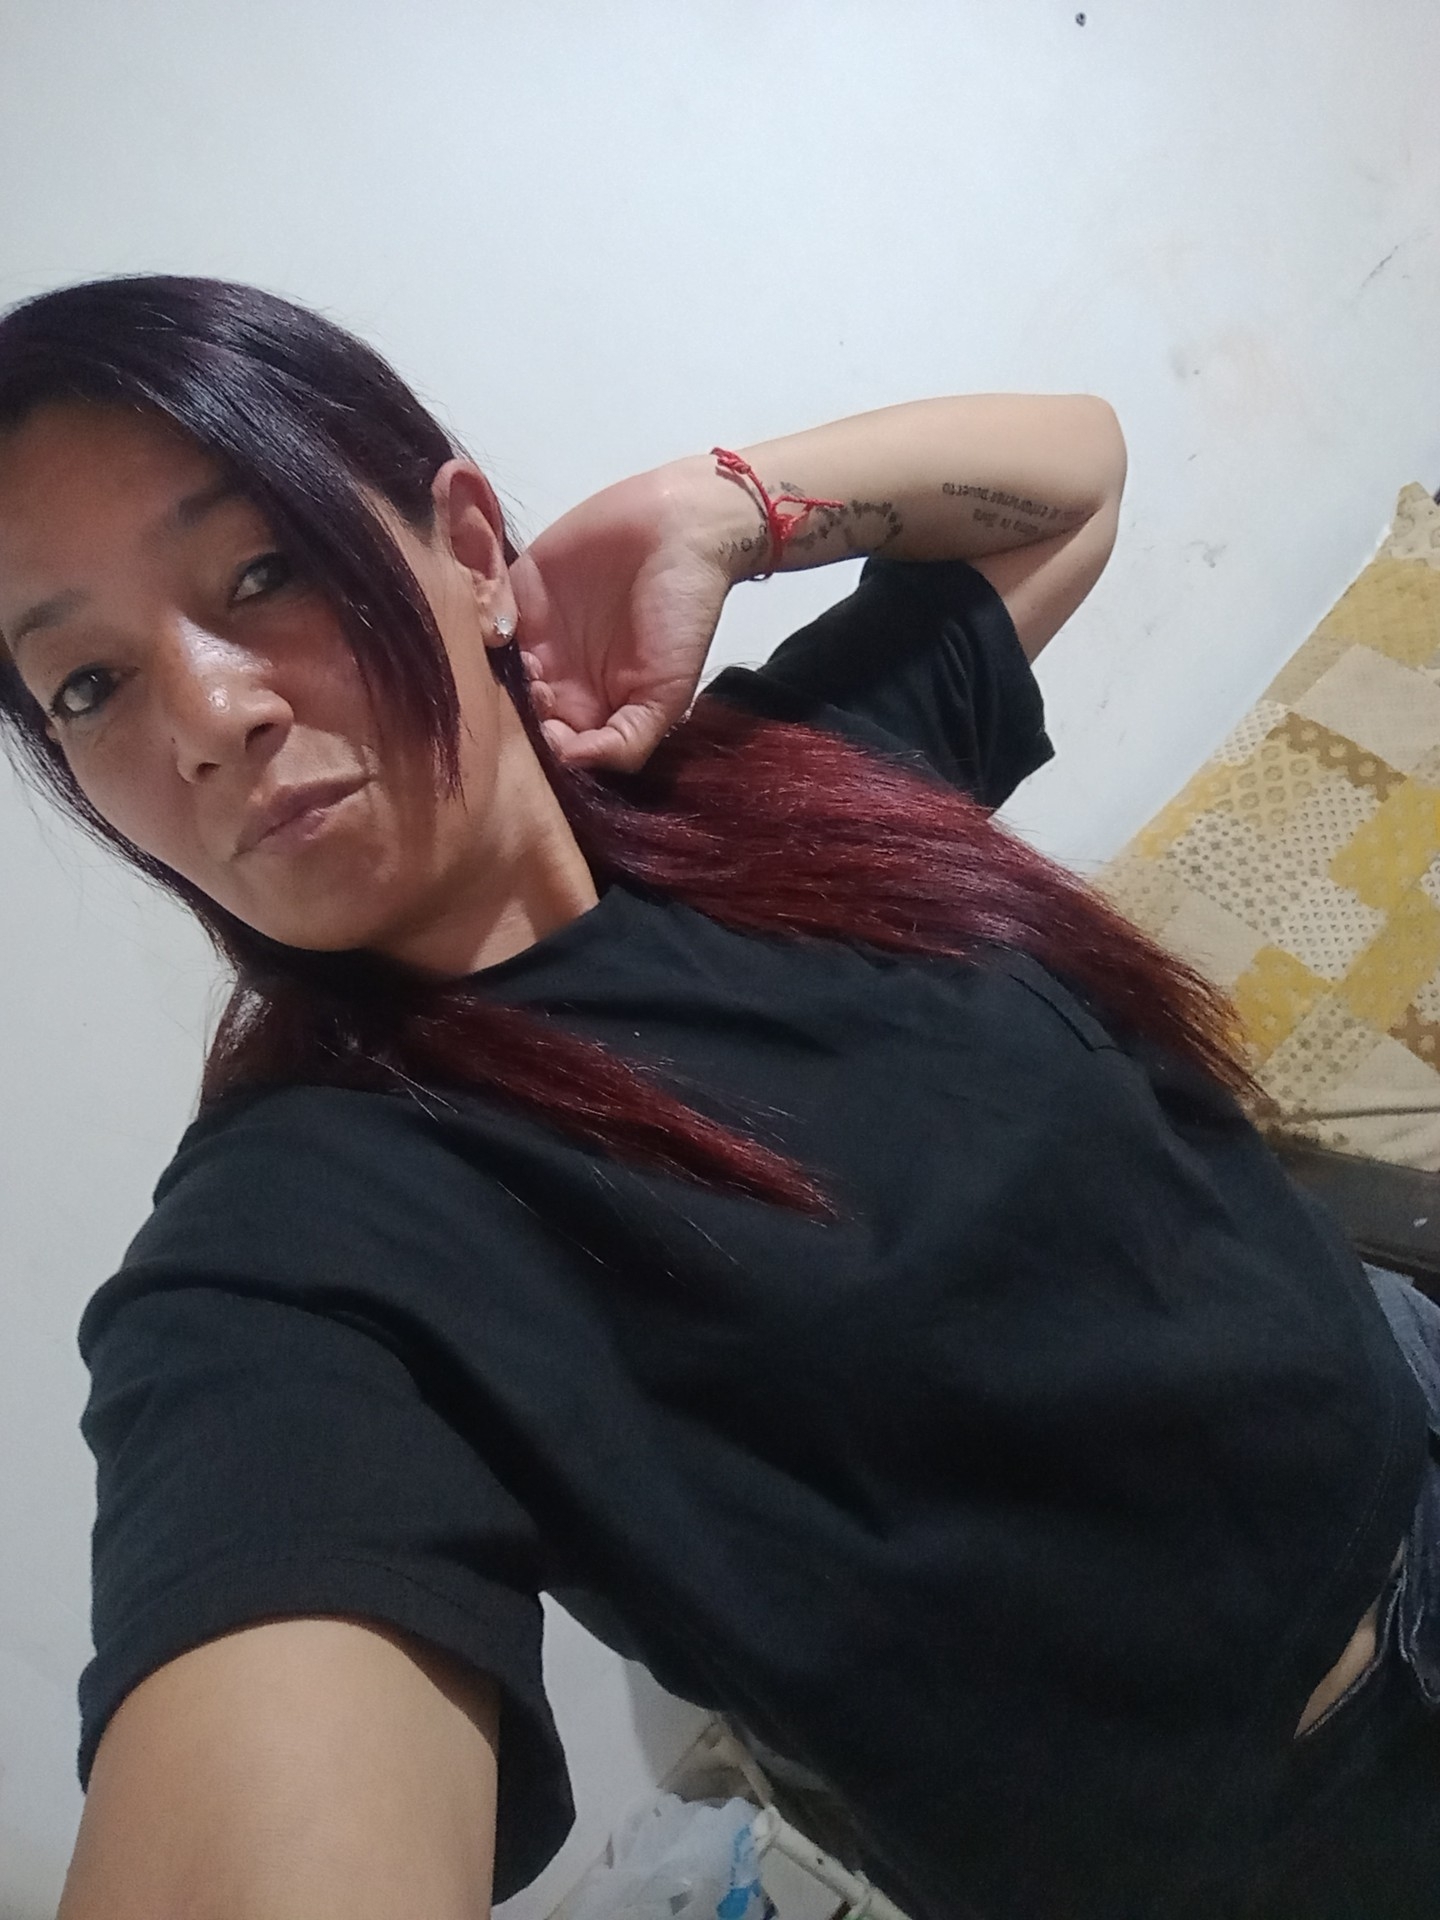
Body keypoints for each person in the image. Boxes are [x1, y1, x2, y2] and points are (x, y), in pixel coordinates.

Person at [0, 275, 1437, 1920]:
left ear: (468, 552)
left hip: (1404, 1375)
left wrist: (723, 507)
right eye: (88, 685)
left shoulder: (778, 784)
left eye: (263, 570)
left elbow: (1074, 480)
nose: (207, 719)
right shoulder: (294, 1249)